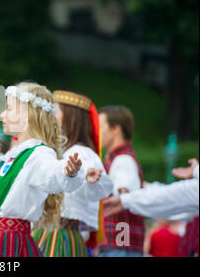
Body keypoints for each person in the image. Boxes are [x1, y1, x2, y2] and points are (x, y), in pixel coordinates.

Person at [0, 83, 84, 257]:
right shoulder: (11, 156)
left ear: (28, 114)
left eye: (9, 109)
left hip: (10, 246)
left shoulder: (38, 153)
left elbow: (52, 172)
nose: (2, 114)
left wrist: (68, 172)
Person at [31, 90, 113, 257]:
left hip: (61, 237)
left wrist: (90, 179)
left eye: (55, 111)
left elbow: (98, 187)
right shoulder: (56, 150)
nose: (50, 117)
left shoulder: (83, 154)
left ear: (70, 118)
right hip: (44, 232)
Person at [103, 160, 199, 257]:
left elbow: (176, 197)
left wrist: (126, 199)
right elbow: (178, 196)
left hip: (120, 245)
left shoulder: (158, 233)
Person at [96, 105, 145, 257]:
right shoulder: (118, 159)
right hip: (119, 246)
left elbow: (125, 195)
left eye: (101, 126)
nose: (97, 132)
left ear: (116, 129)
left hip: (120, 247)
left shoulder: (123, 160)